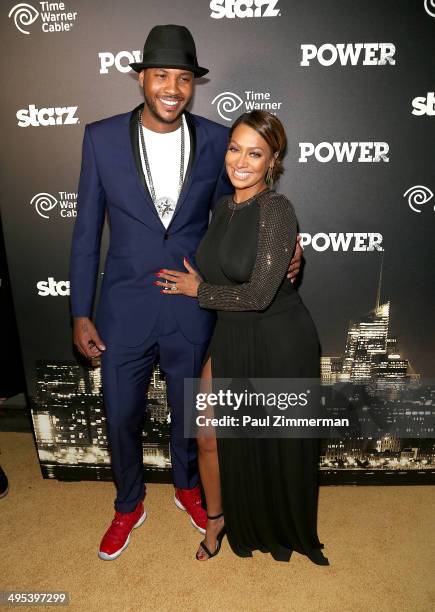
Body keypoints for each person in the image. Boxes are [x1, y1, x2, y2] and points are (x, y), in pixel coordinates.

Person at [69, 26, 302, 561]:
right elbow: (85, 232)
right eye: (160, 76)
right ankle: (128, 503)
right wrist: (80, 311)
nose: (171, 88)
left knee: (189, 415)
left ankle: (190, 488)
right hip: (123, 308)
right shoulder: (100, 138)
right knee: (120, 413)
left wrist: (291, 247)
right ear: (142, 78)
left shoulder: (219, 140)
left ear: (193, 83)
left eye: (182, 78)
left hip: (194, 305)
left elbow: (246, 212)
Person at [156, 110, 329, 565]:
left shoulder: (276, 209)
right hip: (232, 331)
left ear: (273, 160)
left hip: (278, 336)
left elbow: (257, 294)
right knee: (208, 434)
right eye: (236, 148)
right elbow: (232, 269)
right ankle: (217, 518)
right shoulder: (222, 207)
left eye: (255, 153)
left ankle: (275, 522)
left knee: (276, 442)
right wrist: (204, 276)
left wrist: (200, 290)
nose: (242, 160)